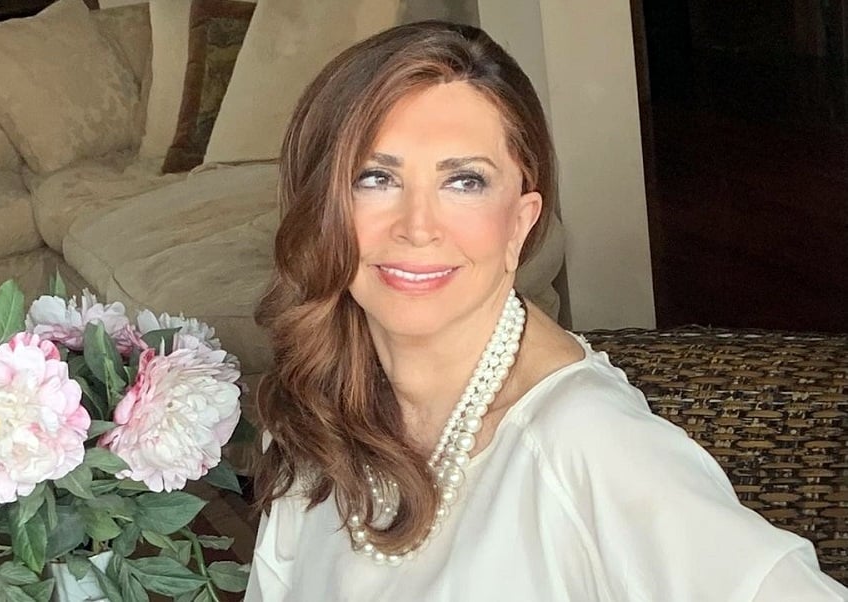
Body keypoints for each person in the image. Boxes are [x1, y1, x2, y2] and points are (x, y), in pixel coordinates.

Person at [245, 20, 848, 602]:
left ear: (520, 221)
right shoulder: (318, 410)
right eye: (375, 177)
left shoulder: (587, 443)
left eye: (464, 182)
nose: (417, 227)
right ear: (317, 210)